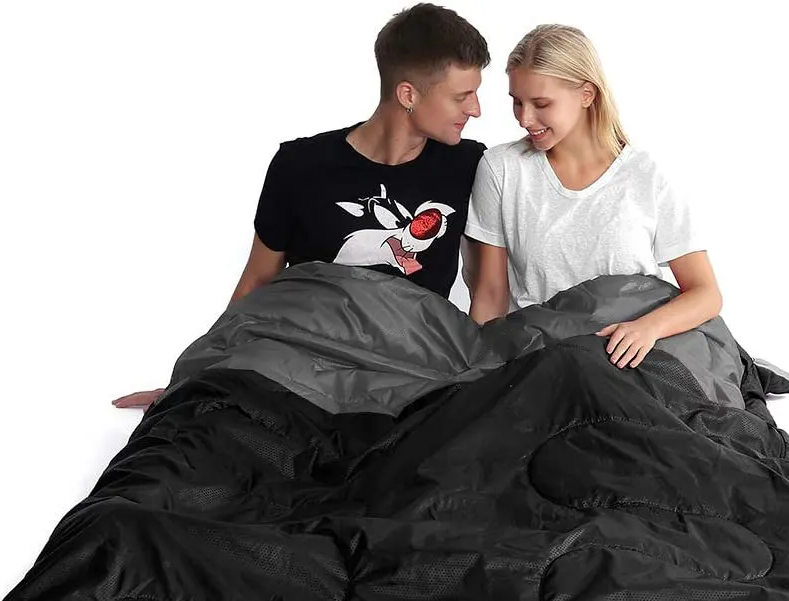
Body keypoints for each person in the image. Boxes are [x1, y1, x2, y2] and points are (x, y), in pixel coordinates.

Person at [114, 3, 491, 410]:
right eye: (462, 96)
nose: (476, 109)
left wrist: (477, 391)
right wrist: (194, 379)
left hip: (408, 377)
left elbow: (486, 289)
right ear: (408, 95)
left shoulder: (469, 165)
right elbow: (258, 282)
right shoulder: (301, 165)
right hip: (300, 376)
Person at [464, 24, 724, 369]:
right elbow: (490, 297)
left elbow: (706, 293)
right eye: (517, 102)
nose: (525, 118)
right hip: (544, 360)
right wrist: (476, 374)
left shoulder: (644, 176)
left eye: (541, 104)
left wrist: (647, 328)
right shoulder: (502, 169)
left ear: (587, 94)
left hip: (631, 362)